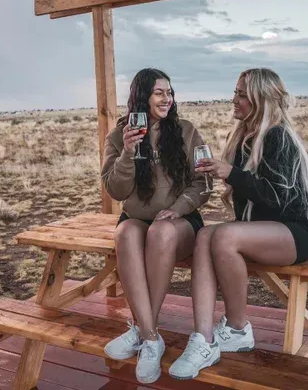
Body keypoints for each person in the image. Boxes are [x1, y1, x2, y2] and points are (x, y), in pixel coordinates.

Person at [169, 68, 308, 380]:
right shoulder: (244, 137)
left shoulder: (278, 136)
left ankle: (238, 328)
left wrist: (233, 174)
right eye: (236, 92)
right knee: (204, 236)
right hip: (263, 231)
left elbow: (280, 199)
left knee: (224, 236)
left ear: (261, 99)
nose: (234, 99)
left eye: (242, 94)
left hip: (295, 232)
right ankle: (203, 338)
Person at [101, 68, 210, 384]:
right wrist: (128, 153)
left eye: (170, 92)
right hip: (136, 217)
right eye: (159, 92)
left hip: (180, 222)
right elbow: (116, 191)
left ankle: (142, 328)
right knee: (125, 233)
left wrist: (177, 209)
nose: (167, 98)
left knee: (160, 231)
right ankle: (150, 338)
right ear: (142, 96)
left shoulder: (186, 131)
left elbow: (202, 183)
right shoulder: (119, 136)